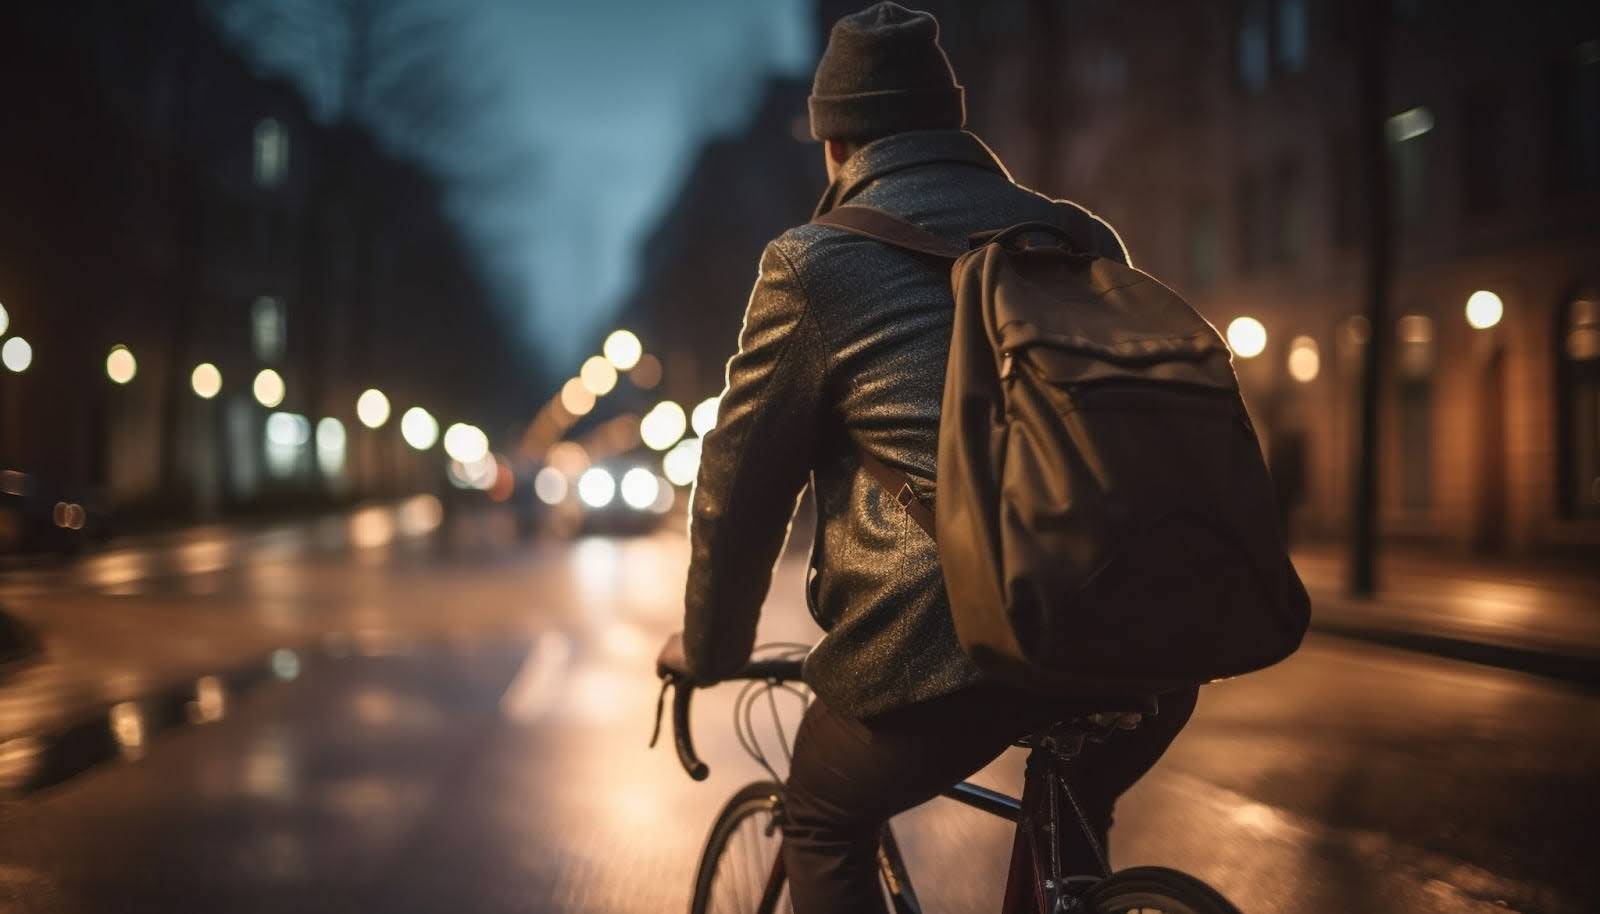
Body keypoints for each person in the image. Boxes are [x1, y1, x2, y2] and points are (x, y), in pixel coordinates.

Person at [660, 4, 1199, 911]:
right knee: (1073, 815)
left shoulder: (814, 263)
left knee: (824, 818)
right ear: (954, 126)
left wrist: (712, 648)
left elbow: (740, 483)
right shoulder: (1079, 237)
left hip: (950, 651)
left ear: (833, 145)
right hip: (1144, 629)